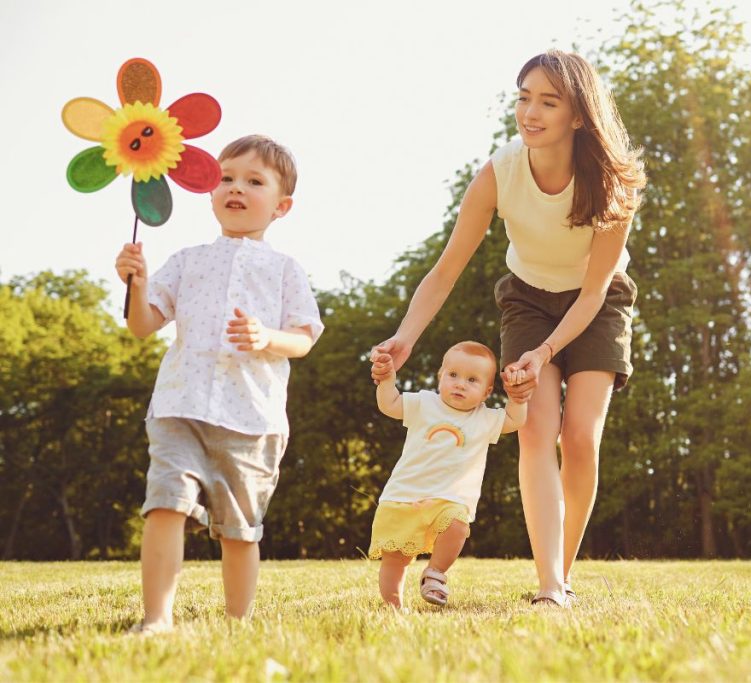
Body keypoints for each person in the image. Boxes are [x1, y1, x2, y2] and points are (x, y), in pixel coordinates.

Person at [370, 50, 645, 606]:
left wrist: (547, 352)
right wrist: (406, 337)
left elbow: (593, 292)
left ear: (578, 115)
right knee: (537, 430)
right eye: (523, 97)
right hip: (527, 300)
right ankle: (549, 587)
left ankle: (560, 575)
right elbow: (446, 269)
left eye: (548, 101)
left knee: (581, 439)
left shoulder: (613, 186)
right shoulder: (500, 172)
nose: (530, 112)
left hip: (598, 303)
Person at [114, 135, 324, 633]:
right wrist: (137, 284)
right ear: (209, 189)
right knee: (165, 502)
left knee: (239, 528)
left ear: (282, 205)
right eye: (225, 178)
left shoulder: (284, 270)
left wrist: (265, 337)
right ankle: (157, 618)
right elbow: (143, 324)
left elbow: (304, 338)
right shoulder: (187, 260)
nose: (236, 188)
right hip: (180, 406)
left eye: (254, 181)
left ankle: (237, 623)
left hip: (252, 417)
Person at [369, 341, 527, 609]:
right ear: (440, 376)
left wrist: (518, 398)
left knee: (458, 525)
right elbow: (390, 405)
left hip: (449, 498)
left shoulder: (484, 418)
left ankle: (435, 574)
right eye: (453, 375)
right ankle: (392, 607)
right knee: (395, 560)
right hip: (403, 496)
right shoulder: (424, 403)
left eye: (472, 380)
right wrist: (386, 380)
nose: (460, 384)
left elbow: (515, 421)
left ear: (487, 392)